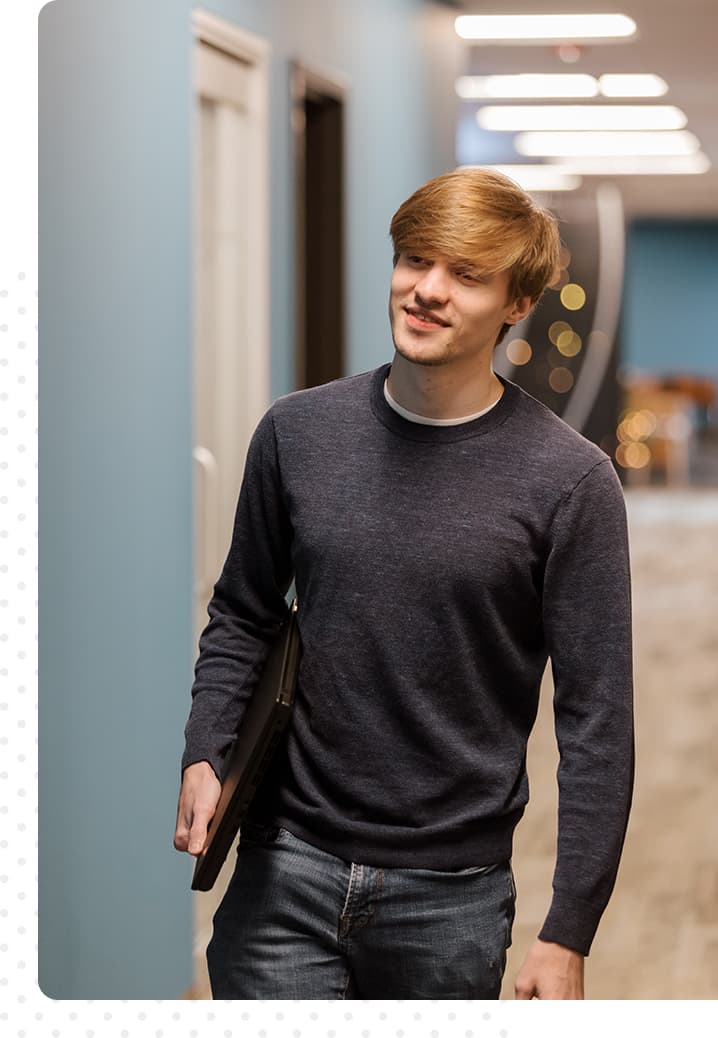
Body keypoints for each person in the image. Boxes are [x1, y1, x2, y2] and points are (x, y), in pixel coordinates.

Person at [174, 167, 634, 1000]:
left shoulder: (571, 482)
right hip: (285, 867)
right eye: (416, 259)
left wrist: (569, 929)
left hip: (451, 896)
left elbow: (597, 717)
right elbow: (243, 611)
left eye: (465, 273)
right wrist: (207, 749)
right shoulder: (297, 434)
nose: (427, 290)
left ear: (517, 304)